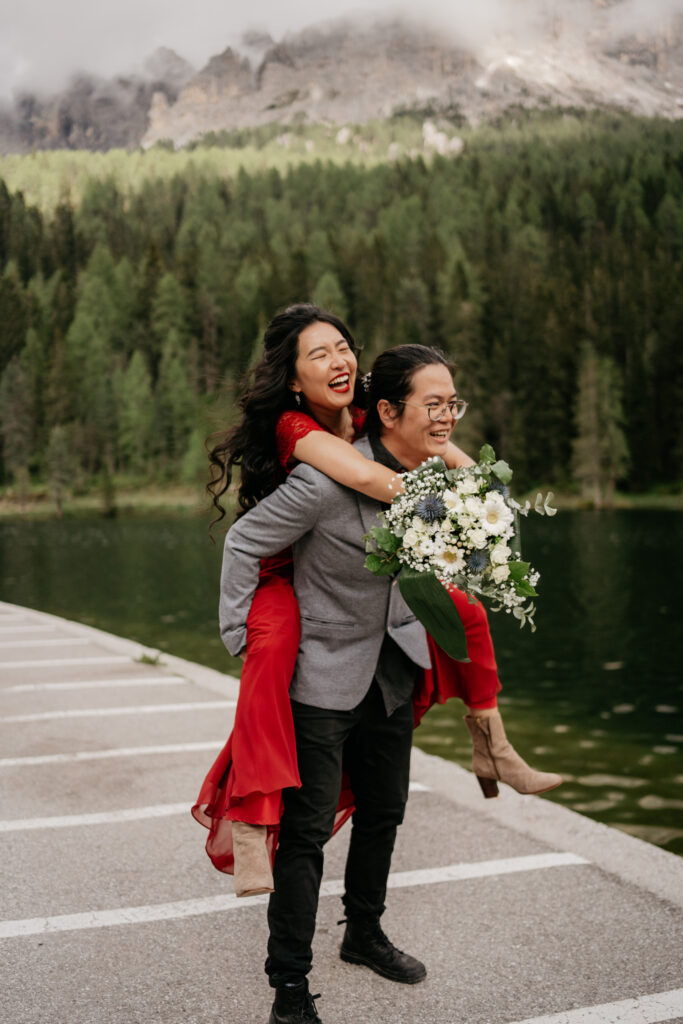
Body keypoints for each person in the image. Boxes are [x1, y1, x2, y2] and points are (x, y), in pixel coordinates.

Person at [215, 337, 561, 1024]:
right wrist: (237, 628)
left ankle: (363, 935)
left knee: (384, 812)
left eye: (451, 404)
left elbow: (492, 501)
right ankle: (288, 982)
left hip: (397, 665)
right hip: (323, 672)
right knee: (308, 834)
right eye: (432, 406)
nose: (445, 418)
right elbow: (243, 540)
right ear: (387, 412)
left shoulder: (436, 478)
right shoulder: (323, 482)